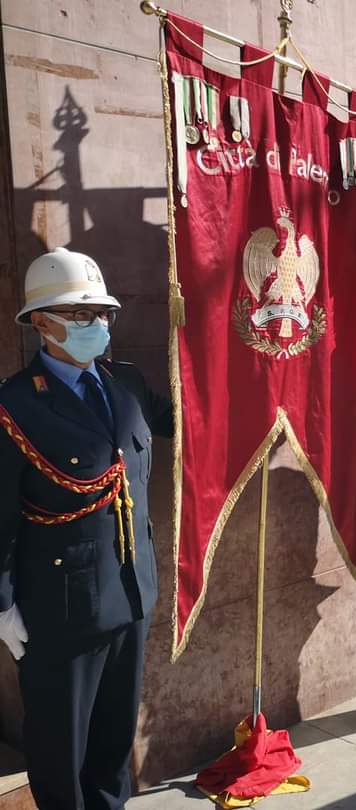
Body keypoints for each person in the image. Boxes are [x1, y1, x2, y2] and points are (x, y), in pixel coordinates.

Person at [0, 247, 173, 810]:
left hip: (131, 593)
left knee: (112, 747)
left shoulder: (125, 382)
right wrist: (2, 606)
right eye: (81, 315)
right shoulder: (16, 404)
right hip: (60, 609)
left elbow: (190, 412)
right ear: (41, 323)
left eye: (101, 313)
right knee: (59, 751)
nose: (96, 325)